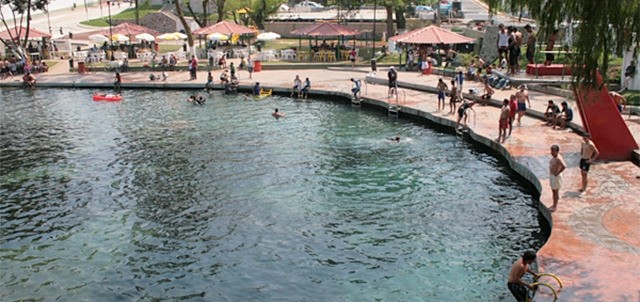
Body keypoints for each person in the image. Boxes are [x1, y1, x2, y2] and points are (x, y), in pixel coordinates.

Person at [548, 144, 566, 212]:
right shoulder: (555, 157)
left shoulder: (558, 158)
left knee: (555, 191)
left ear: (557, 151)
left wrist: (557, 173)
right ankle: (554, 204)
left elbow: (564, 166)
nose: (552, 152)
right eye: (551, 151)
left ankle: (555, 206)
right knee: (554, 191)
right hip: (553, 176)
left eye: (553, 151)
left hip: (556, 176)